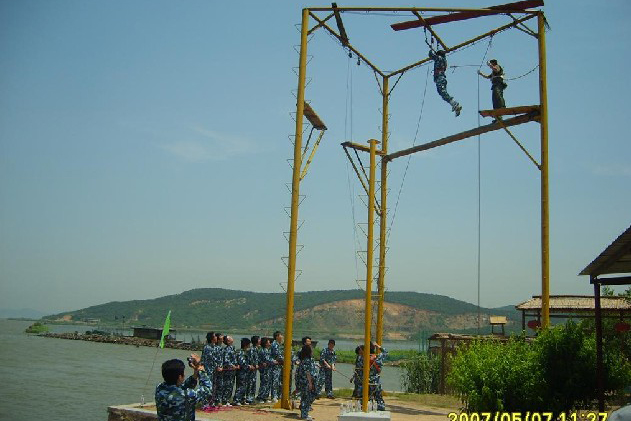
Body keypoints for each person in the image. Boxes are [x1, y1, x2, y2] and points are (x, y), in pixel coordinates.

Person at [155, 353, 211, 421]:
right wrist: (201, 370)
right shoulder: (187, 395)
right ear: (180, 377)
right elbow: (207, 389)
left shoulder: (159, 388)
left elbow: (181, 387)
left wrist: (195, 374)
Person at [428, 47, 462, 116]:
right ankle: (453, 104)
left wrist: (431, 48)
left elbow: (430, 54)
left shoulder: (439, 58)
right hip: (442, 78)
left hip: (440, 78)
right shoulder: (444, 61)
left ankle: (454, 103)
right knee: (442, 93)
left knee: (442, 92)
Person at [296, 344, 318, 420]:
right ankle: (304, 415)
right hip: (306, 382)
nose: (312, 351)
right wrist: (310, 383)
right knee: (305, 398)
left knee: (311, 396)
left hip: (309, 381)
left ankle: (305, 412)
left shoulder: (310, 359)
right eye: (311, 349)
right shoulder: (306, 360)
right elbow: (307, 372)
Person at [232, 337, 251, 405]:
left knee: (244, 386)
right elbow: (241, 362)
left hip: (245, 372)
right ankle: (236, 400)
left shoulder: (245, 352)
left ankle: (242, 399)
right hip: (241, 372)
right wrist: (248, 366)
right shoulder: (240, 352)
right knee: (240, 385)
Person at [221, 335, 237, 405]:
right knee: (227, 385)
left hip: (233, 370)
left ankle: (228, 399)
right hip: (228, 370)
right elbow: (226, 360)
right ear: (228, 341)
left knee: (231, 385)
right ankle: (225, 400)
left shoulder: (232, 348)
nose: (232, 338)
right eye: (230, 337)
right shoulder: (227, 349)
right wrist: (232, 365)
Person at [256, 337, 274, 402]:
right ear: (265, 343)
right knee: (264, 383)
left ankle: (265, 397)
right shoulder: (263, 350)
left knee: (268, 383)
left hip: (268, 369)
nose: (269, 343)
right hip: (264, 370)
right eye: (268, 342)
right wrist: (274, 361)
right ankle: (260, 397)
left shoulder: (267, 350)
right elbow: (267, 359)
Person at [270, 331, 284, 402]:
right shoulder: (275, 344)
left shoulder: (279, 344)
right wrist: (285, 360)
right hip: (275, 366)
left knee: (278, 381)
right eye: (281, 335)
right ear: (277, 336)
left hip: (279, 365)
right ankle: (274, 396)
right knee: (275, 381)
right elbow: (278, 355)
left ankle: (278, 395)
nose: (282, 337)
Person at [246, 335, 260, 404]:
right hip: (251, 369)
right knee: (250, 383)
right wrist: (254, 365)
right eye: (259, 339)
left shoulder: (257, 349)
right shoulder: (252, 349)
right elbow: (251, 358)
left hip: (254, 369)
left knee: (253, 383)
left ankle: (252, 397)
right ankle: (248, 398)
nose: (260, 341)